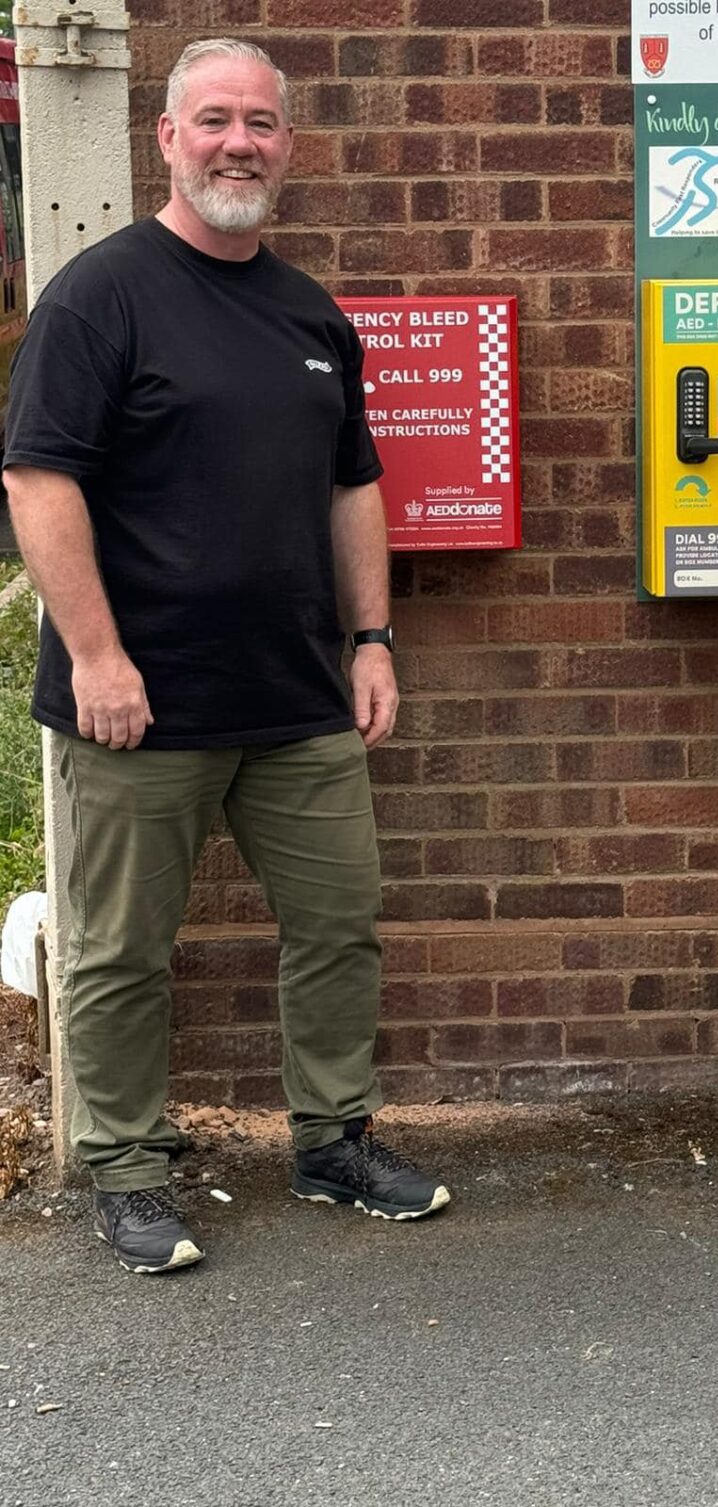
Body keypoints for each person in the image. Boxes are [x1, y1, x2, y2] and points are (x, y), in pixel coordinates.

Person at [3, 38, 450, 1272]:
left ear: (289, 146)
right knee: (120, 946)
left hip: (298, 692)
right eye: (213, 120)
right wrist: (97, 654)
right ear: (166, 137)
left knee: (336, 923)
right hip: (136, 702)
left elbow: (352, 482)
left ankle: (331, 1140)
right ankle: (129, 1168)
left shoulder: (307, 309)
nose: (237, 143)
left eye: (260, 123)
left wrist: (370, 637)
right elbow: (40, 480)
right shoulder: (101, 295)